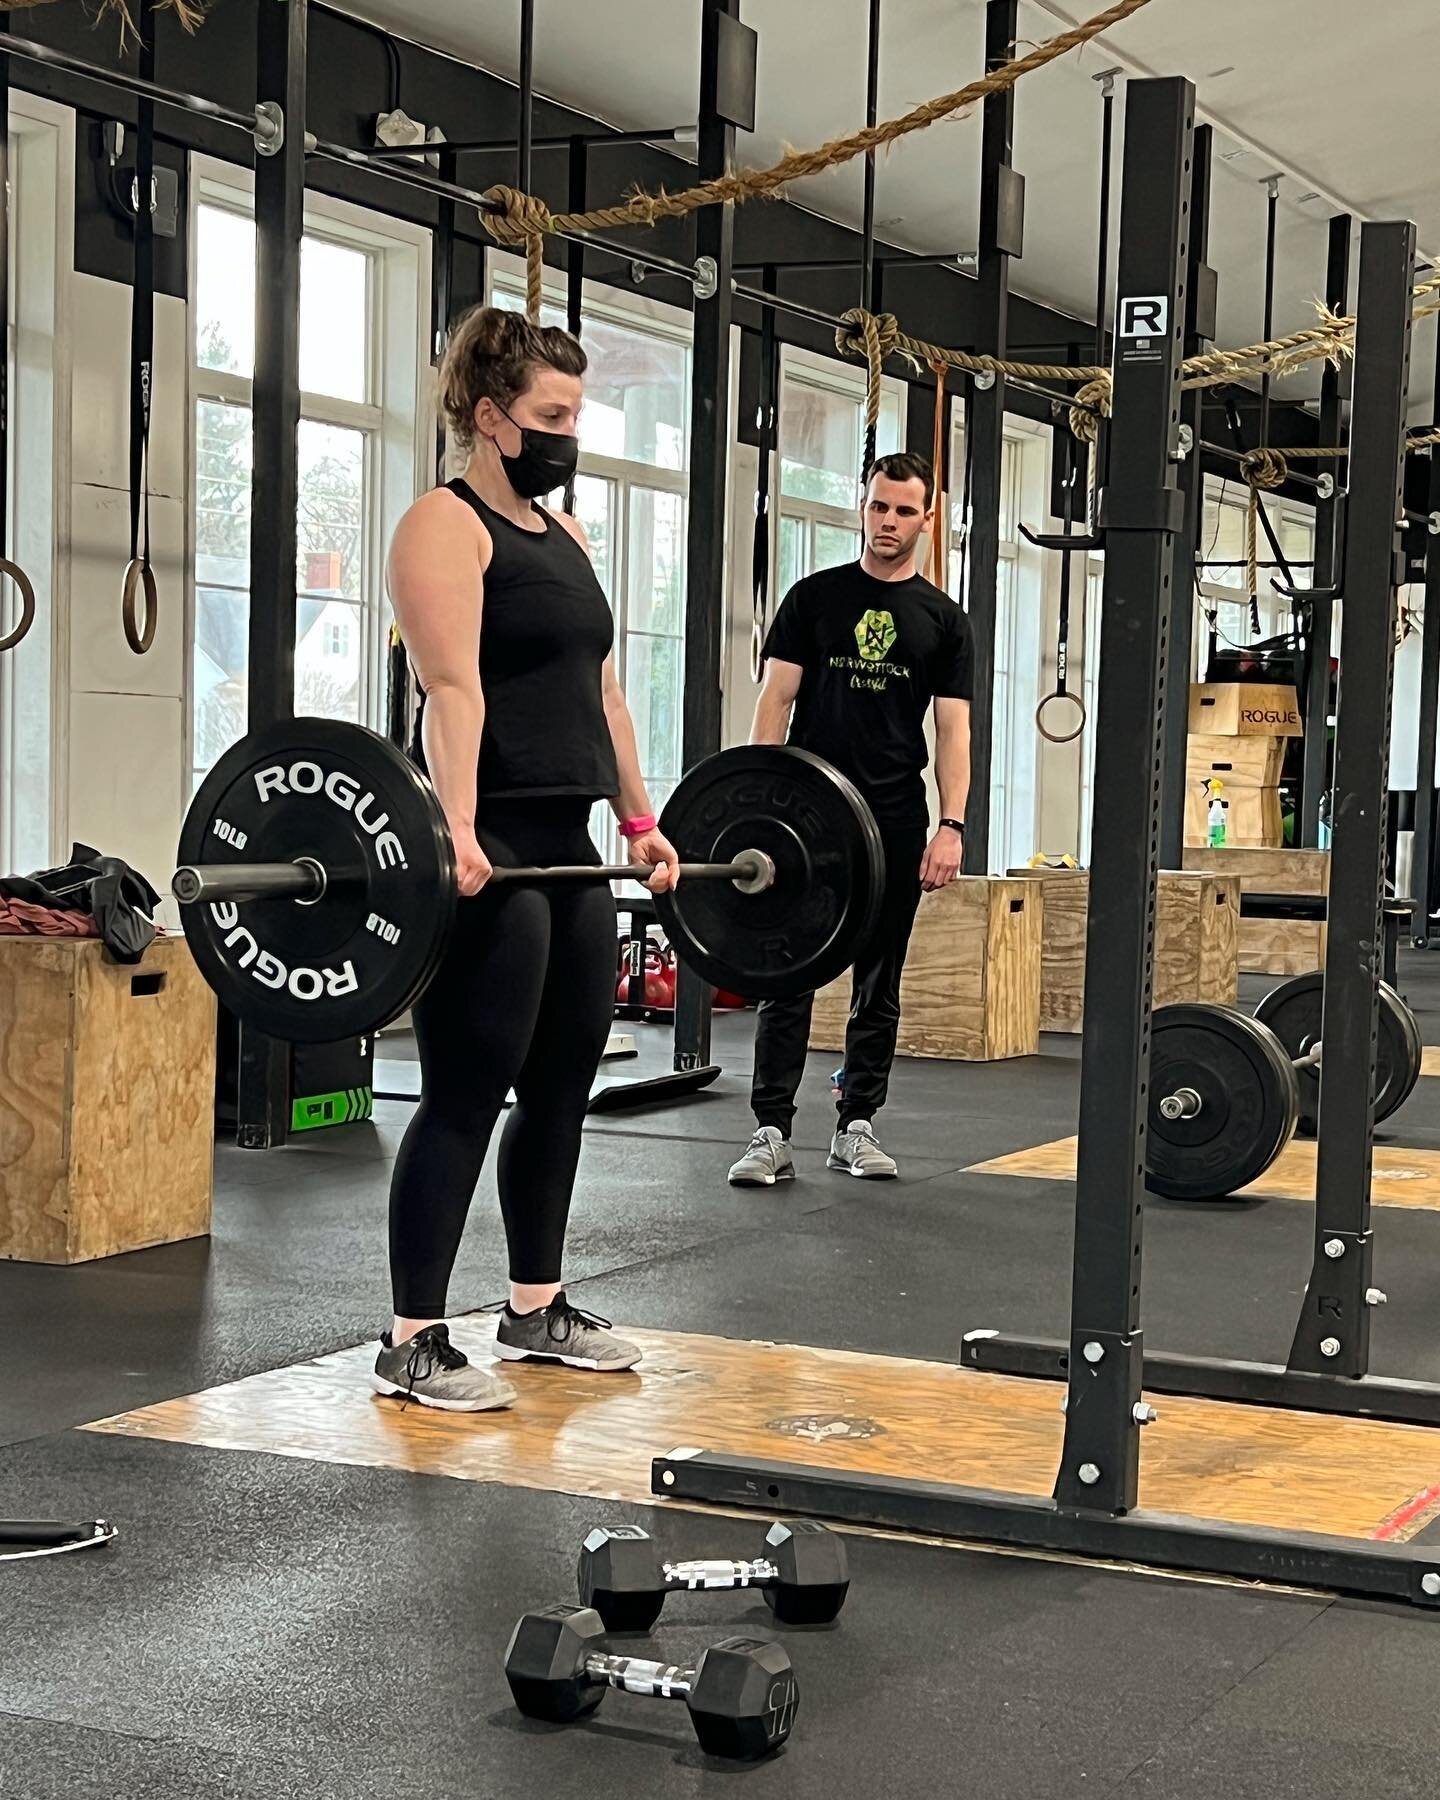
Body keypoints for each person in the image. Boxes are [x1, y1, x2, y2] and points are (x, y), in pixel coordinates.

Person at [373, 306, 680, 1412]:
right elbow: (450, 690)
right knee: (467, 1088)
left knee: (561, 1087)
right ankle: (412, 1339)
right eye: (552, 415)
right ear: (492, 417)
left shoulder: (571, 539)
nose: (568, 435)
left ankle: (534, 1308)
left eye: (575, 415)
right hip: (491, 839)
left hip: (571, 843)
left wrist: (643, 826)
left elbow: (604, 697)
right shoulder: (441, 528)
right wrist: (454, 832)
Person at [728, 451, 972, 1186]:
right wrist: (751, 803)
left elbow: (954, 731)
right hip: (808, 818)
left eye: (903, 510)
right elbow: (774, 703)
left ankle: (856, 1124)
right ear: (861, 509)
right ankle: (769, 1130)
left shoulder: (943, 621)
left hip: (895, 819)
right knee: (787, 973)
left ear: (927, 519)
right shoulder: (813, 599)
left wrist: (952, 825)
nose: (888, 522)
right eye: (877, 507)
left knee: (879, 977)